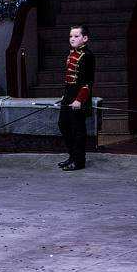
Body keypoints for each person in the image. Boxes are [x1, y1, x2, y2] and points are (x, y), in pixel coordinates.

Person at [57, 25, 94, 171]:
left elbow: (88, 82)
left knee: (78, 129)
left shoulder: (88, 56)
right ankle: (72, 156)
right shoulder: (71, 54)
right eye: (71, 36)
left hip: (80, 97)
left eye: (76, 36)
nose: (72, 39)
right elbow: (69, 80)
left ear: (85, 38)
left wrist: (79, 99)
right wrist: (65, 95)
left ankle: (79, 161)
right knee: (63, 124)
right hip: (69, 95)